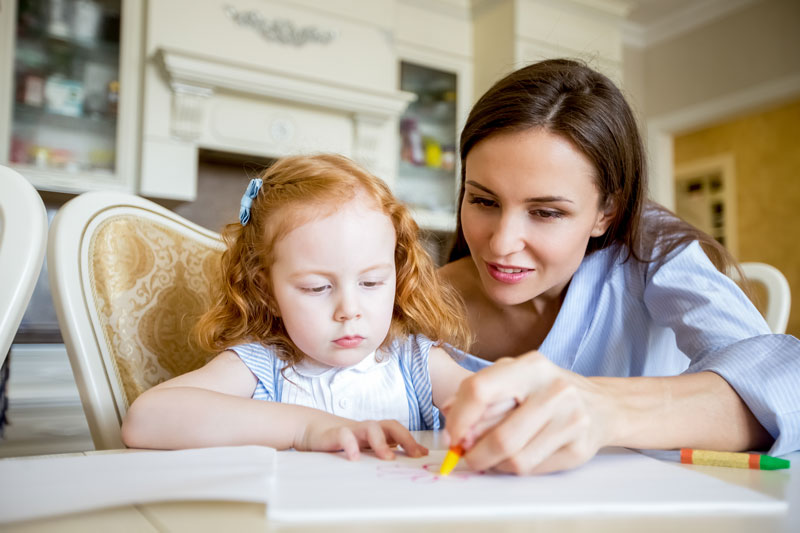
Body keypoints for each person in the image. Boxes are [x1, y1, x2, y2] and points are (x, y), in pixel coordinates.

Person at [439, 58, 800, 475]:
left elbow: (786, 380)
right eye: (483, 201)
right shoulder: (419, 296)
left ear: (606, 210)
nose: (501, 243)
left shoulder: (649, 247)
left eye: (547, 212)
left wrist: (606, 408)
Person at [122, 154, 473, 460]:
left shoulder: (416, 363)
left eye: (371, 283)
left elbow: (491, 398)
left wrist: (490, 411)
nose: (349, 310)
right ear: (267, 290)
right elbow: (145, 420)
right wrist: (305, 428)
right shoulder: (263, 366)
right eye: (316, 287)